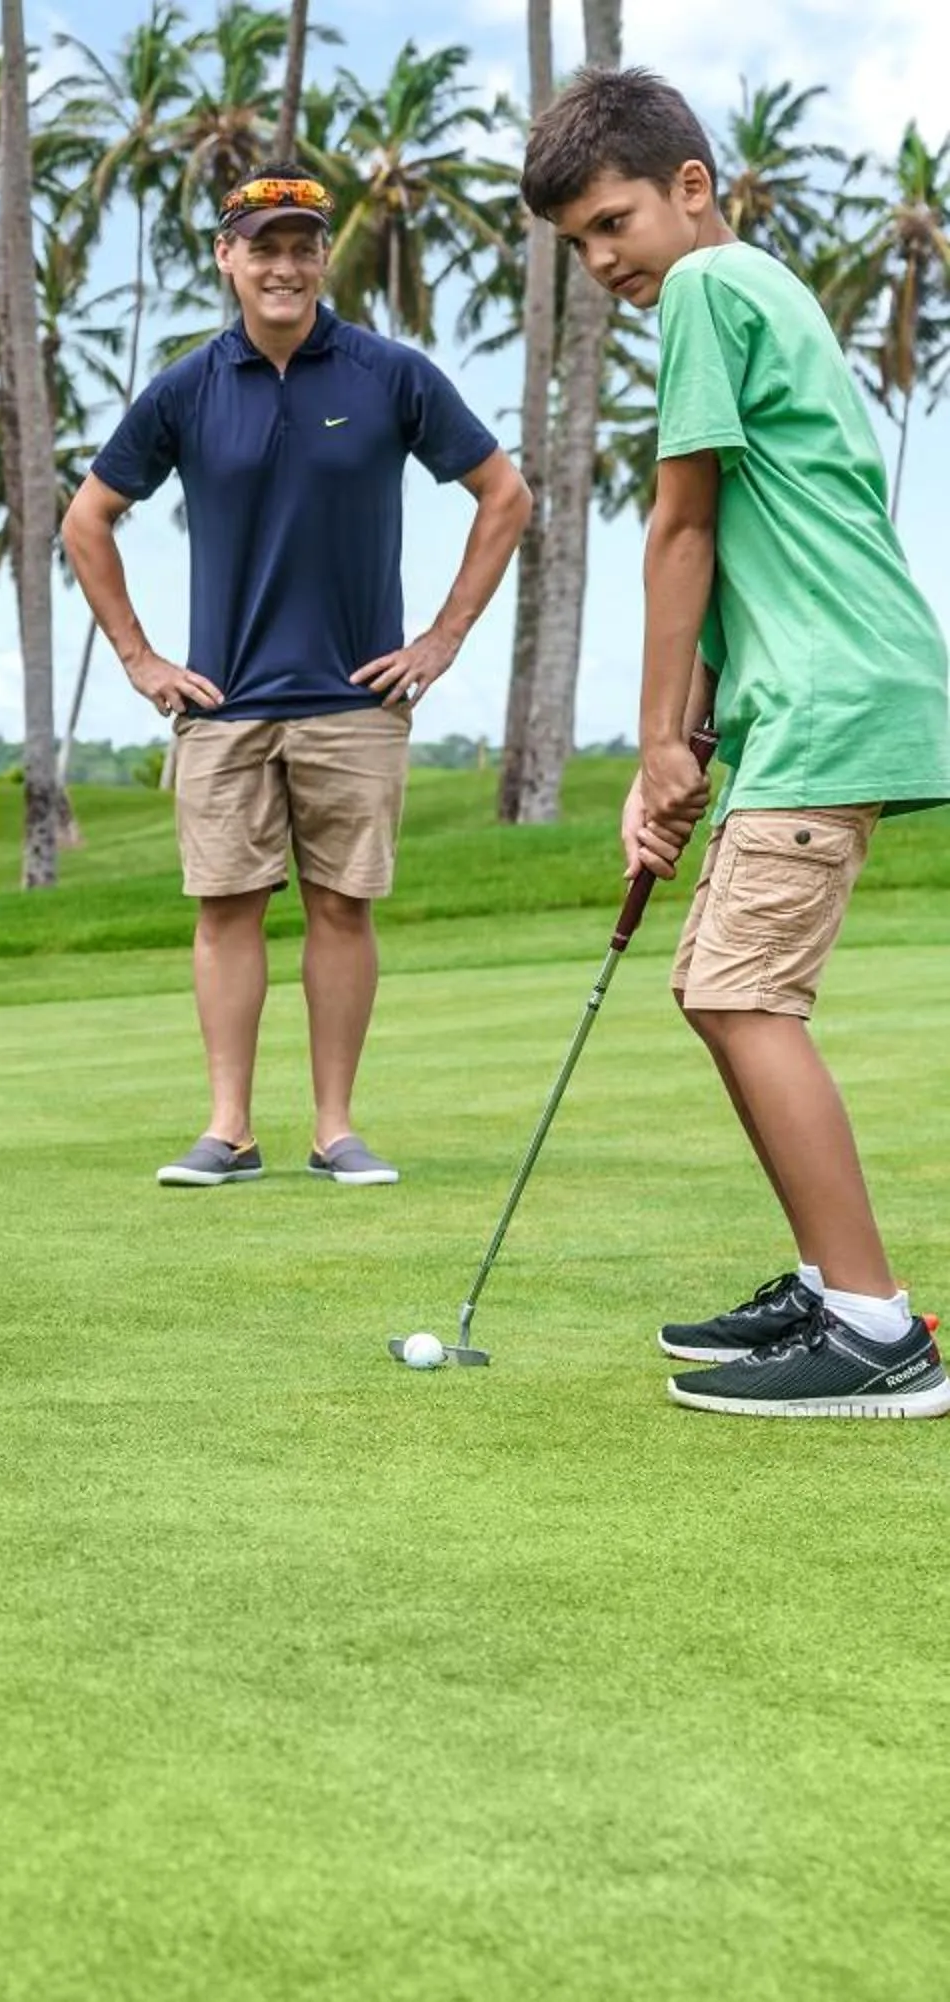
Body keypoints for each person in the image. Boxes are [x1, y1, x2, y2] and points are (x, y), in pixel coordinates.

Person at [524, 69, 950, 1417]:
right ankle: (836, 1286)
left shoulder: (709, 290)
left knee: (742, 994)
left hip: (833, 698)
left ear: (690, 190)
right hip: (817, 693)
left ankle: (879, 1329)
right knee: (718, 985)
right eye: (579, 245)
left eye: (612, 224)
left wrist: (654, 739)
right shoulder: (763, 291)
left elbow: (684, 528)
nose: (602, 264)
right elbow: (753, 547)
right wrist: (696, 734)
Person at [63, 165, 531, 1192]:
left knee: (342, 908)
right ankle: (227, 1130)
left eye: (302, 246)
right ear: (226, 258)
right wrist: (142, 660)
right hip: (224, 704)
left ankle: (335, 1128)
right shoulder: (186, 388)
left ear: (324, 258)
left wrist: (443, 638)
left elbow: (504, 494)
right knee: (226, 908)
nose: (284, 264)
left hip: (355, 703)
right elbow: (85, 518)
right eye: (262, 245)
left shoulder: (388, 373)